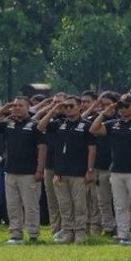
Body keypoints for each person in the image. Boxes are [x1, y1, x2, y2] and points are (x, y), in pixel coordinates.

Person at [90, 94, 131, 244]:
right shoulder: (113, 124)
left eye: (126, 106)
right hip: (117, 170)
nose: (123, 110)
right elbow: (94, 129)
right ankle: (122, 233)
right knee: (120, 204)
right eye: (121, 107)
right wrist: (106, 112)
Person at [0, 97, 48, 244]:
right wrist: (3, 109)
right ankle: (15, 234)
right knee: (13, 205)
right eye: (15, 105)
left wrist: (40, 170)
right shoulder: (9, 123)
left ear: (28, 108)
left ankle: (33, 234)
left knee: (31, 205)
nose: (17, 108)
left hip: (29, 172)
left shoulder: (35, 125)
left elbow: (42, 148)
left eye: (20, 105)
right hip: (11, 171)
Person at [39, 96, 95, 244]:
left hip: (79, 171)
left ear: (79, 107)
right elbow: (40, 126)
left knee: (79, 204)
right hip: (60, 171)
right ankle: (68, 232)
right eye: (66, 106)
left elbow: (92, 149)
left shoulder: (86, 125)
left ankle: (80, 233)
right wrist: (53, 110)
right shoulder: (58, 124)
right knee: (64, 204)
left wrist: (89, 170)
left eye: (71, 106)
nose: (68, 109)